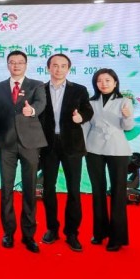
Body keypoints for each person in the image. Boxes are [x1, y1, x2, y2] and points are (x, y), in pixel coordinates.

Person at [38, 54, 94, 252]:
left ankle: (72, 233)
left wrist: (81, 117)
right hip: (48, 145)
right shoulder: (39, 89)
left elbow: (88, 110)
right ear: (48, 68)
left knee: (73, 190)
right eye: (55, 65)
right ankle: (52, 228)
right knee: (48, 189)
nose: (58, 69)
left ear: (68, 69)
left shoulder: (79, 89)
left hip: (72, 145)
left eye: (63, 66)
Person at [0, 50, 47, 253]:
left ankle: (29, 234)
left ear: (26, 64)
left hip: (30, 143)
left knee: (30, 188)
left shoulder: (37, 85)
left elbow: (41, 104)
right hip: (6, 144)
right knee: (6, 189)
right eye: (12, 62)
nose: (16, 65)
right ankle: (8, 232)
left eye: (20, 62)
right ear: (7, 65)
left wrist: (31, 110)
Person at [84, 68, 134, 252]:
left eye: (107, 80)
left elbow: (127, 127)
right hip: (93, 148)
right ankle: (99, 233)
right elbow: (85, 126)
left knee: (118, 192)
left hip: (117, 149)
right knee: (97, 191)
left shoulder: (124, 101)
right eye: (99, 81)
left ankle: (117, 237)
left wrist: (127, 117)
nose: (103, 84)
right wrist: (82, 147)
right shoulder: (90, 102)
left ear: (115, 82)